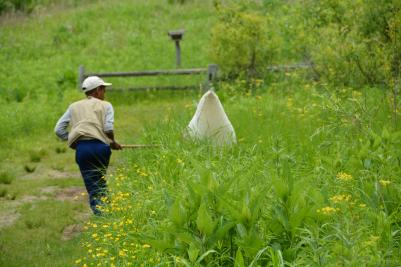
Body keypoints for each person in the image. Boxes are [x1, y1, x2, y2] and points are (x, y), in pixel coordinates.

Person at [54, 76, 122, 215]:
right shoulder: (106, 105)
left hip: (83, 150)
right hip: (101, 148)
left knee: (93, 185)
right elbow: (108, 128)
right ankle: (106, 214)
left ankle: (103, 215)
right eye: (103, 89)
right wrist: (113, 142)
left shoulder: (73, 106)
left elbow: (59, 130)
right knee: (100, 181)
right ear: (97, 90)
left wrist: (73, 139)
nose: (104, 92)